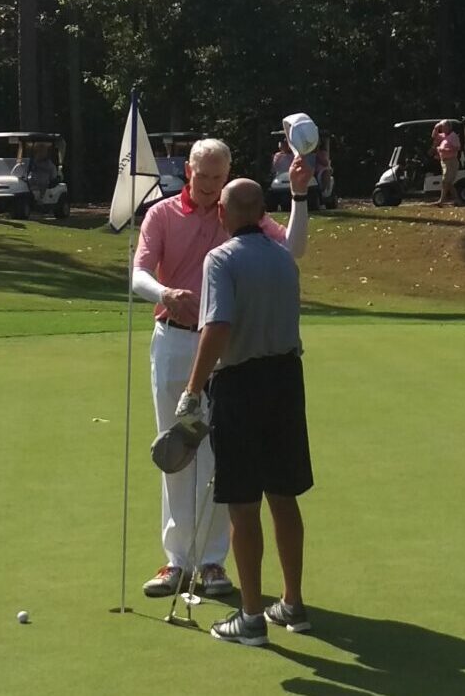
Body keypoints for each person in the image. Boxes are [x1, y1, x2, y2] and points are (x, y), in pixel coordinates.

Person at [132, 139, 313, 602]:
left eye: (219, 176)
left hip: (225, 352)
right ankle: (177, 561)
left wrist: (297, 196)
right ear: (188, 171)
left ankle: (211, 561)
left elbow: (291, 248)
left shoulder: (239, 213)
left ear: (229, 173)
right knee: (173, 447)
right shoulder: (162, 213)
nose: (211, 186)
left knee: (219, 457)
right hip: (173, 337)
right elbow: (138, 273)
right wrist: (164, 293)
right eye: (204, 176)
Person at [179, 178, 315, 646]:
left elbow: (217, 327)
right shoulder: (282, 258)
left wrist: (193, 389)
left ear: (227, 212)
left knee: (243, 503)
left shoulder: (220, 258)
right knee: (284, 495)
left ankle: (252, 616)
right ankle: (293, 604)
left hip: (240, 385)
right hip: (286, 381)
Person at [432, 120, 463, 206]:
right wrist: (436, 127)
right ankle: (457, 200)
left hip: (451, 161)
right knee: (448, 182)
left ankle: (441, 201)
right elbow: (434, 136)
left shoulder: (453, 136)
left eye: (444, 127)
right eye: (442, 127)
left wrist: (442, 150)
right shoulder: (444, 136)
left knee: (445, 181)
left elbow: (457, 149)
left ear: (449, 127)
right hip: (444, 161)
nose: (443, 129)